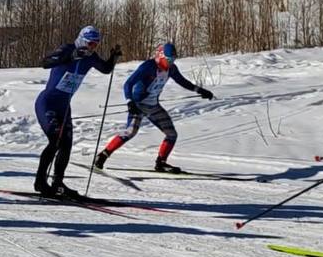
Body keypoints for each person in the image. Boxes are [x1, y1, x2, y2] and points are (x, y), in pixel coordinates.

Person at [95, 42, 213, 174]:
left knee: (171, 134)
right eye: (169, 59)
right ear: (161, 56)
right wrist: (130, 102)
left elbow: (182, 81)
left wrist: (200, 90)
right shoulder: (148, 66)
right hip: (138, 105)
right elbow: (128, 84)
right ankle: (103, 155)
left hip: (153, 106)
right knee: (130, 132)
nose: (171, 63)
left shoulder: (172, 69)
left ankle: (161, 163)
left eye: (173, 59)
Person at [34, 25, 121, 198]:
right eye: (90, 44)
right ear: (82, 40)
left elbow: (105, 69)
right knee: (55, 140)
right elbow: (45, 62)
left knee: (66, 143)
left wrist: (113, 57)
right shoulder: (68, 48)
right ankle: (40, 181)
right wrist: (70, 56)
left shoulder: (91, 57)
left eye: (95, 45)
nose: (92, 48)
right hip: (47, 103)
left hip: (64, 107)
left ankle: (58, 183)